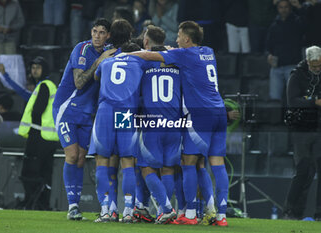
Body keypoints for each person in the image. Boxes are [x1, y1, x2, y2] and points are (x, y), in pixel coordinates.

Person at [129, 20, 229, 226]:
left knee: (187, 163)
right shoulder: (208, 51)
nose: (176, 40)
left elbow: (148, 55)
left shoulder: (183, 54)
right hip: (219, 111)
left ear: (186, 38)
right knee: (216, 164)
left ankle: (190, 214)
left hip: (200, 114)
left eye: (179, 36)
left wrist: (125, 55)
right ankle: (221, 216)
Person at [52, 18, 114, 220]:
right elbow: (79, 83)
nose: (97, 35)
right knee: (71, 155)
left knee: (80, 158)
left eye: (102, 32)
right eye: (94, 31)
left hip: (87, 112)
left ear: (108, 35)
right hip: (67, 108)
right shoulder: (82, 49)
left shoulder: (111, 51)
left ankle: (75, 206)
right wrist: (100, 60)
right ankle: (72, 207)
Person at [91, 19, 141, 224]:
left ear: (111, 36)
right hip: (125, 113)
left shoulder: (106, 61)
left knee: (102, 161)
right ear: (130, 37)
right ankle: (128, 209)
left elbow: (95, 78)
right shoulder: (140, 59)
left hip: (105, 112)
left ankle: (107, 210)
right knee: (128, 162)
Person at [134, 25, 181, 224]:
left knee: (146, 168)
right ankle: (165, 212)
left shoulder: (142, 62)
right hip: (175, 123)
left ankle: (165, 209)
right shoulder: (177, 60)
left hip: (152, 122)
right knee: (168, 168)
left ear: (146, 42)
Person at [283, 45, 321, 221]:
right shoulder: (296, 75)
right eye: (314, 66)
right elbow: (292, 101)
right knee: (303, 170)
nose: (317, 69)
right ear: (307, 62)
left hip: (318, 128)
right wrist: (315, 102)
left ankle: (319, 214)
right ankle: (292, 212)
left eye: (319, 65)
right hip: (302, 130)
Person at [18, 56, 59, 210]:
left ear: (45, 70)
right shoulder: (48, 85)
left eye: (38, 67)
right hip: (48, 138)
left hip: (39, 136)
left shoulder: (44, 86)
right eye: (33, 67)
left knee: (32, 172)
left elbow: (37, 112)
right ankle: (42, 203)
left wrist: (32, 131)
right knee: (45, 173)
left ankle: (32, 203)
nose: (34, 70)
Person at [266, 0, 304, 101]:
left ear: (290, 8)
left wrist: (299, 7)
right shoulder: (274, 25)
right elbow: (268, 45)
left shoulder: (297, 22)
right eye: (281, 7)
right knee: (274, 98)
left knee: (293, 98)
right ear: (278, 9)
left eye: (286, 7)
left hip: (292, 65)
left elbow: (308, 24)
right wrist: (269, 54)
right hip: (276, 66)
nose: (283, 10)